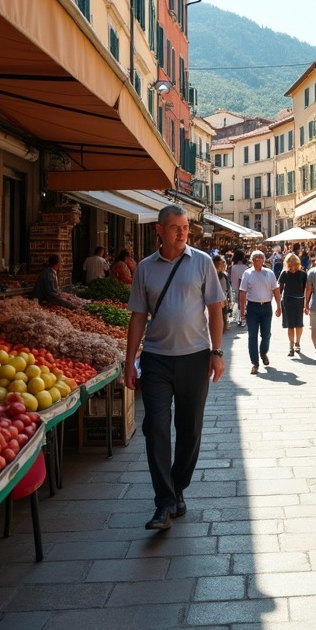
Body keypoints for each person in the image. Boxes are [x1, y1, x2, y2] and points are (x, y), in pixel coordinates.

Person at [124, 204, 225, 531]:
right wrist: (129, 361)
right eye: (175, 227)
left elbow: (215, 310)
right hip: (156, 359)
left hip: (195, 357)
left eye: (185, 227)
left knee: (190, 428)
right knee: (155, 427)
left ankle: (178, 486)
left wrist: (217, 351)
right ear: (159, 230)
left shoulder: (202, 262)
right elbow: (138, 315)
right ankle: (164, 502)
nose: (182, 233)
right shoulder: (145, 268)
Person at [238, 250, 282, 375]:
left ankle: (263, 352)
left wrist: (279, 305)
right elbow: (242, 293)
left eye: (260, 258)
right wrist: (242, 311)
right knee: (252, 336)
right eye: (255, 258)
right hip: (252, 307)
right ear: (252, 260)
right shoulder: (247, 273)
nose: (258, 260)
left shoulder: (269, 273)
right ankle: (254, 362)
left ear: (264, 260)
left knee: (266, 334)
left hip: (266, 307)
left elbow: (276, 290)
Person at [277, 253, 308, 357]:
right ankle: (291, 346)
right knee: (290, 324)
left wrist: (306, 304)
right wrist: (278, 304)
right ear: (287, 264)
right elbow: (280, 289)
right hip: (288, 301)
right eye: (290, 264)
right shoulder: (284, 274)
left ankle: (297, 342)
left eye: (294, 264)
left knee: (299, 323)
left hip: (299, 301)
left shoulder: (303, 274)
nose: (292, 267)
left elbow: (306, 289)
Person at [229, 250, 249, 327]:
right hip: (245, 288)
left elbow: (230, 278)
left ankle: (239, 318)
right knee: (244, 303)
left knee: (237, 304)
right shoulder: (246, 267)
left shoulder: (232, 267)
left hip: (235, 288)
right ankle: (243, 317)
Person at [213, 255, 231, 328]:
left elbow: (226, 289)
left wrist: (226, 299)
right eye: (221, 263)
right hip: (213, 301)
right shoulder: (209, 274)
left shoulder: (223, 275)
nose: (223, 265)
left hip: (221, 300)